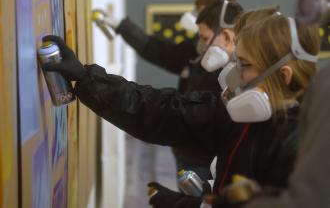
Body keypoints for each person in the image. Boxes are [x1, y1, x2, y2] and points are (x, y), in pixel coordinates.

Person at [40, 12, 319, 208]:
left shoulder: (306, 151)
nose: (232, 77)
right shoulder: (233, 117)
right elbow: (161, 111)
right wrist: (85, 77)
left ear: (283, 77)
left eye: (244, 66)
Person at [105, 0, 241, 182]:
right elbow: (159, 50)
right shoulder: (196, 52)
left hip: (205, 161)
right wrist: (123, 26)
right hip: (185, 150)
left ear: (226, 35)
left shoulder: (239, 77)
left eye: (205, 38)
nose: (202, 47)